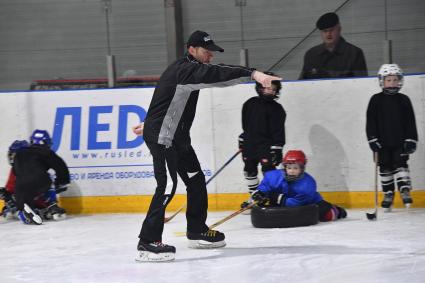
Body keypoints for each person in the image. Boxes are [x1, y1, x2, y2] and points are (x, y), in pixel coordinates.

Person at [132, 30, 282, 262]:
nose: (210, 56)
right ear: (192, 49)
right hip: (164, 137)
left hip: (178, 138)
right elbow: (217, 74)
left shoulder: (186, 70)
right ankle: (148, 242)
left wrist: (151, 120)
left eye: (212, 52)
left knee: (195, 180)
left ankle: (196, 230)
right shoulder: (185, 69)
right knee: (168, 184)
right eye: (206, 51)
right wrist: (252, 74)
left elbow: (166, 95)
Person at [366, 64, 418, 211]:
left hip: (400, 141)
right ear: (382, 81)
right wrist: (372, 139)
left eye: (395, 80)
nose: (392, 83)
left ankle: (404, 188)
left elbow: (410, 121)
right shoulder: (375, 100)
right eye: (389, 80)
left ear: (400, 81)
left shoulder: (404, 100)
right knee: (385, 165)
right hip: (382, 143)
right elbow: (370, 121)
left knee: (400, 162)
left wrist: (411, 139)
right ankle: (388, 193)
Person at [251, 150, 347, 222]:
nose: (292, 171)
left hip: (309, 203)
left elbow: (297, 203)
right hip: (282, 201)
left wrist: (277, 198)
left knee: (327, 216)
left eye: (295, 168)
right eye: (289, 168)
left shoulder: (308, 184)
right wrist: (258, 194)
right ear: (285, 167)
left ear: (302, 169)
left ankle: (336, 210)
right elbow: (264, 187)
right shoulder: (273, 176)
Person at [238, 73, 286, 209]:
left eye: (273, 89)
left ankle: (270, 197)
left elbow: (279, 131)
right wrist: (243, 138)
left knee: (269, 172)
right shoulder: (249, 104)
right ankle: (255, 197)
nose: (270, 91)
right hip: (250, 144)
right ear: (260, 87)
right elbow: (246, 125)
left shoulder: (278, 109)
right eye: (267, 87)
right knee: (249, 170)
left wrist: (277, 148)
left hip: (267, 146)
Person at [12, 129, 70, 224]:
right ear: (46, 142)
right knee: (48, 177)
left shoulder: (19, 153)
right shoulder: (46, 152)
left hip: (20, 186)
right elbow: (61, 167)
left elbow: (15, 171)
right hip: (39, 181)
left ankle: (24, 213)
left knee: (24, 201)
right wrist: (62, 182)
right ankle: (52, 204)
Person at [299, 12, 368, 80]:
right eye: (325, 31)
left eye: (331, 30)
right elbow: (302, 83)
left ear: (339, 29)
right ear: (321, 33)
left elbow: (362, 83)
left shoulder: (354, 53)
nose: (328, 34)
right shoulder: (311, 54)